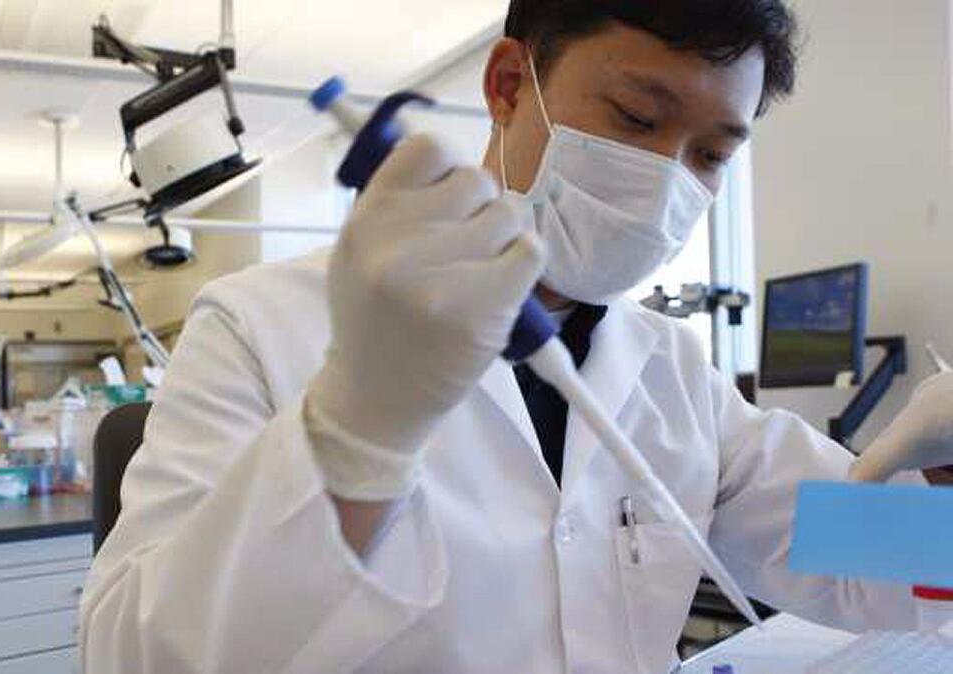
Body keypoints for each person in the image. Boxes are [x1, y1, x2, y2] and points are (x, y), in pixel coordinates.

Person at [80, 2, 953, 672]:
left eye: (712, 154)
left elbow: (859, 562)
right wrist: (357, 427)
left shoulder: (671, 373)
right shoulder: (262, 326)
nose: (666, 181)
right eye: (637, 119)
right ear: (507, 86)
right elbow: (131, 655)